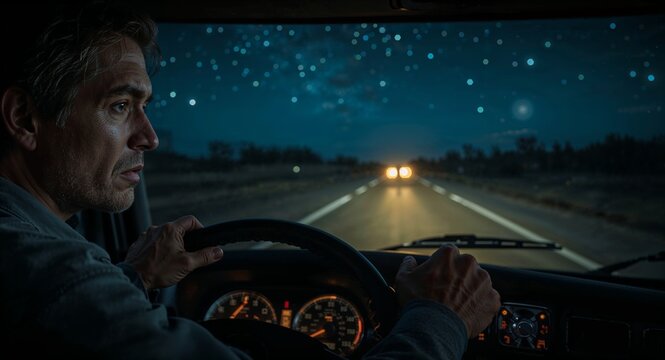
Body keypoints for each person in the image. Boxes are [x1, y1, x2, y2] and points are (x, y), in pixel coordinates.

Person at [0, 1, 501, 358]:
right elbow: (68, 296)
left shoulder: (35, 257)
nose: (149, 137)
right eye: (119, 106)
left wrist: (135, 279)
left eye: (144, 107)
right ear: (25, 118)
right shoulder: (58, 272)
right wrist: (440, 319)